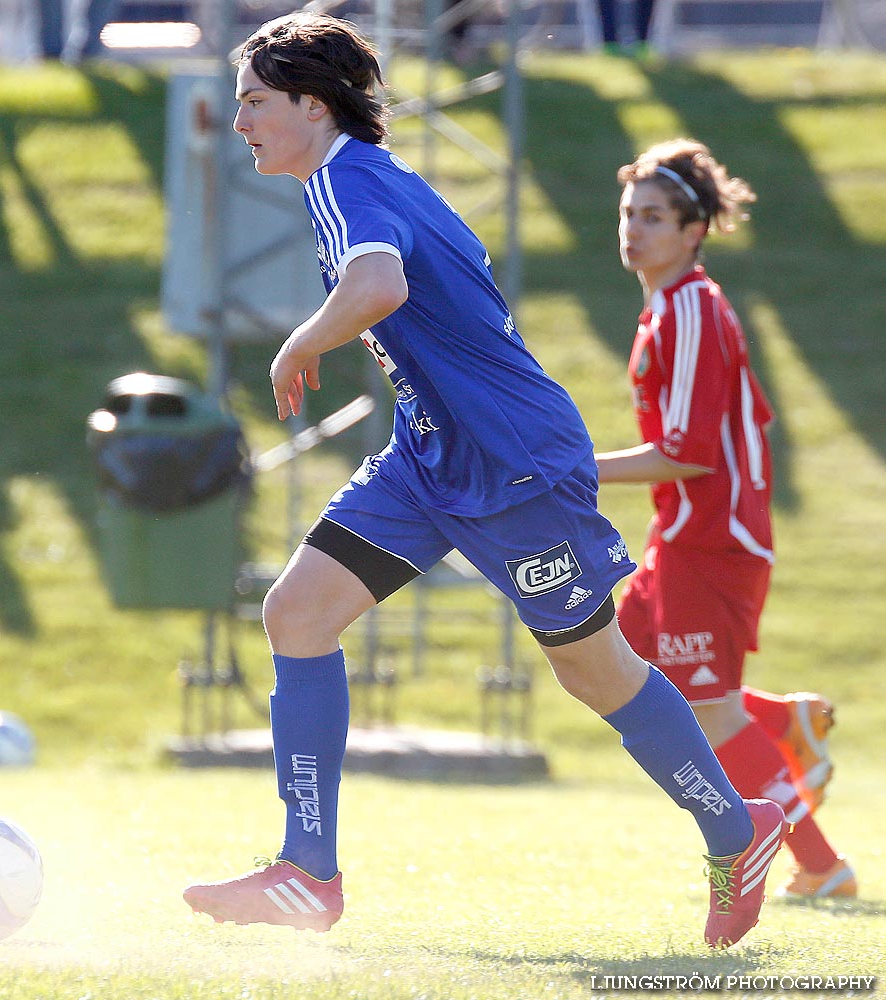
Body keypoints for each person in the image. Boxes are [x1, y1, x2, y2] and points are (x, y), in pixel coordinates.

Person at [183, 14, 787, 949]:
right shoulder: (354, 179)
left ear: (312, 103)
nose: (242, 124)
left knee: (594, 670)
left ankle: (735, 826)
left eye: (255, 102)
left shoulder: (346, 177)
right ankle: (306, 872)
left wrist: (301, 340)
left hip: (511, 466)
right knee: (296, 613)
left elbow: (378, 288)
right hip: (430, 459)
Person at [595, 138, 855, 899]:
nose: (632, 229)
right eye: (627, 213)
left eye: (652, 217)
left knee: (705, 712)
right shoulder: (664, 311)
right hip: (679, 536)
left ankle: (819, 864)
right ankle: (781, 724)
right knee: (620, 670)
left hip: (711, 541)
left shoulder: (691, 308)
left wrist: (577, 471)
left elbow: (687, 452)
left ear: (692, 231)